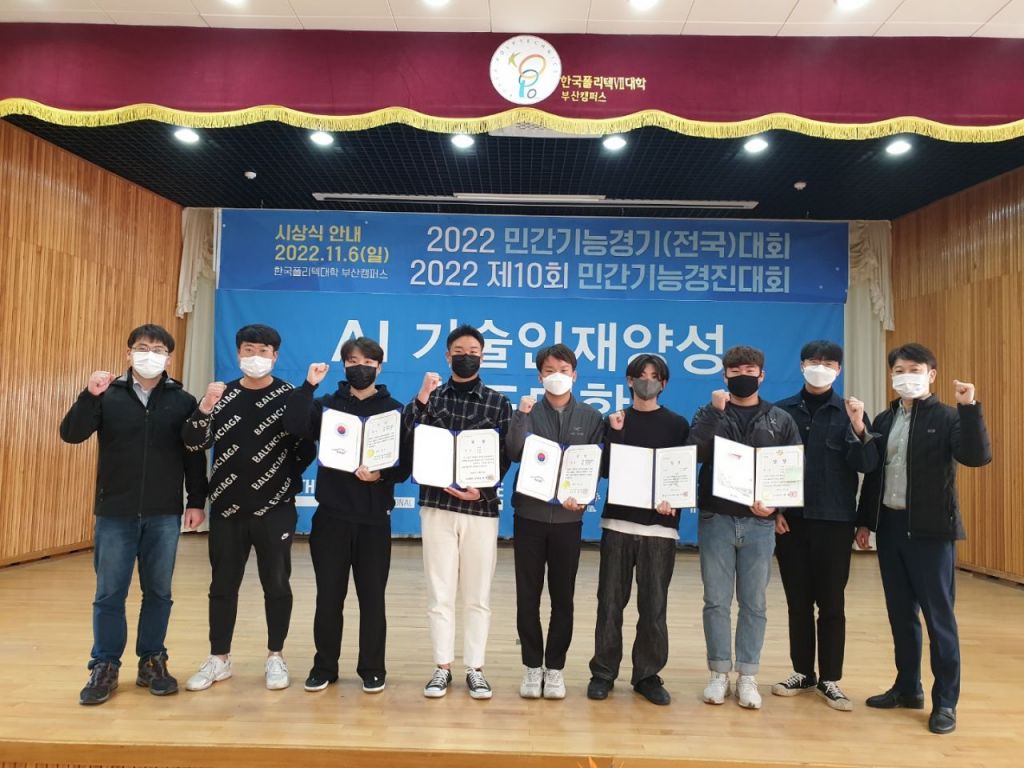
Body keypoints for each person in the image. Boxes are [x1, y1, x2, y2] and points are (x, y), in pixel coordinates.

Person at [60, 324, 208, 705]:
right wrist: (88, 395)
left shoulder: (182, 400)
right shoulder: (107, 395)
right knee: (109, 593)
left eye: (158, 349)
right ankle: (105, 664)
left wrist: (196, 501)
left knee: (159, 591)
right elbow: (71, 433)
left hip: (164, 513)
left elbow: (193, 455)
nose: (149, 354)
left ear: (168, 358)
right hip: (115, 512)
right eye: (142, 347)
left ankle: (152, 660)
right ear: (129, 354)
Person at [856, 343, 991, 735]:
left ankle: (945, 702)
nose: (906, 376)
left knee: (939, 619)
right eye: (899, 370)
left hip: (932, 532)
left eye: (914, 369)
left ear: (931, 374)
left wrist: (969, 407)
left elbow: (976, 457)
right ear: (891, 376)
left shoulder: (949, 416)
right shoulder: (884, 418)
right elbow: (874, 474)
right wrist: (865, 522)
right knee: (901, 615)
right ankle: (907, 688)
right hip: (891, 528)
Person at [181, 324, 314, 692]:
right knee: (222, 584)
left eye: (263, 351)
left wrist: (283, 481)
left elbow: (305, 449)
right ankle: (219, 658)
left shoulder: (290, 396)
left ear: (275, 356)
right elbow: (193, 444)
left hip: (275, 509)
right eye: (249, 350)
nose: (256, 357)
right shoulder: (220, 395)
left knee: (277, 583)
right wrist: (205, 407)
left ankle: (276, 656)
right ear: (238, 353)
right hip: (227, 508)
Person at [282, 336, 410, 694]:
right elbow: (294, 425)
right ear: (344, 366)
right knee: (328, 596)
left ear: (379, 367)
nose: (361, 368)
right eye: (353, 362)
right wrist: (308, 386)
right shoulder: (326, 405)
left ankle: (372, 667)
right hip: (331, 517)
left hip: (374, 520)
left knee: (372, 598)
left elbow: (405, 466)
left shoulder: (394, 411)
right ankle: (324, 666)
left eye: (368, 363)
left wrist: (380, 475)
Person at [403, 324, 513, 700]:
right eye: (459, 352)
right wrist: (421, 397)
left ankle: (475, 669)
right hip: (437, 506)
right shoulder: (431, 397)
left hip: (481, 509)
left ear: (483, 356)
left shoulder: (498, 402)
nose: (467, 357)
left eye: (473, 352)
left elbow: (504, 456)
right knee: (440, 590)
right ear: (447, 356)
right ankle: (442, 666)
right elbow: (406, 436)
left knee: (477, 594)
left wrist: (482, 489)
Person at [689, 345, 801, 710]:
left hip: (760, 523)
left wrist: (776, 505)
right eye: (735, 371)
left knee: (754, 602)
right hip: (717, 518)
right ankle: (719, 672)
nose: (742, 376)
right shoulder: (709, 412)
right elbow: (694, 453)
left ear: (761, 375)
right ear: (724, 375)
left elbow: (791, 469)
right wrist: (714, 413)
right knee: (716, 600)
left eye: (749, 370)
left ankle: (748, 674)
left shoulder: (779, 419)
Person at [771, 340, 879, 711]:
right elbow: (770, 465)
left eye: (829, 362)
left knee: (832, 603)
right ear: (802, 365)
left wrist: (859, 426)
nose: (821, 367)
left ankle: (830, 678)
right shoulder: (781, 412)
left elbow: (868, 465)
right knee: (797, 601)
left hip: (835, 522)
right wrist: (774, 511)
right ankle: (802, 671)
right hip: (791, 522)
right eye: (814, 361)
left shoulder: (851, 413)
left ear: (839, 369)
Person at [587, 353, 689, 706]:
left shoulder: (677, 424)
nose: (648, 380)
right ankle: (603, 672)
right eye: (641, 375)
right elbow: (603, 469)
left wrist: (674, 498)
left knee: (654, 607)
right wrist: (615, 433)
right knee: (610, 603)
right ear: (629, 381)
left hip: (660, 528)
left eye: (654, 375)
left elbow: (681, 471)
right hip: (618, 523)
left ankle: (647, 675)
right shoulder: (614, 420)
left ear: (664, 383)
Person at [507, 344, 605, 700]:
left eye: (563, 370)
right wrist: (520, 416)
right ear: (540, 376)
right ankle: (532, 666)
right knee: (527, 596)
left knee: (563, 597)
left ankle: (556, 668)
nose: (557, 376)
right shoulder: (528, 412)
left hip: (567, 520)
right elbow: (513, 452)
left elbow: (595, 467)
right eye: (549, 371)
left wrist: (582, 496)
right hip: (529, 516)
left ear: (575, 375)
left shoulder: (592, 417)